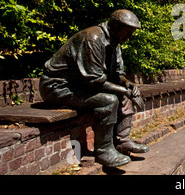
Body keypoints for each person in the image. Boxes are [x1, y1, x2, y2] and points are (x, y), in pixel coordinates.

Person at [39, 9, 149, 168]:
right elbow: (94, 80)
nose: (130, 37)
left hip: (80, 86)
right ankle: (104, 150)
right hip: (57, 87)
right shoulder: (93, 38)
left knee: (124, 96)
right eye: (128, 32)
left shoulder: (115, 41)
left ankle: (122, 141)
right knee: (109, 101)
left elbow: (118, 74)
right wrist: (123, 90)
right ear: (116, 26)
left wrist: (127, 84)